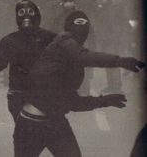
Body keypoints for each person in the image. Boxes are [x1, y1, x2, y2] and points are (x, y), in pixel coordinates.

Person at [13, 10, 144, 157]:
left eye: (85, 27)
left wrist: (105, 101)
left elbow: (72, 102)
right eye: (78, 25)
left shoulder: (72, 62)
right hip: (32, 125)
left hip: (55, 122)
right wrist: (120, 61)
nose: (82, 32)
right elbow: (86, 57)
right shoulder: (64, 42)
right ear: (68, 29)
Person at [0, 0, 56, 122]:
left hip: (41, 94)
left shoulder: (50, 38)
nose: (26, 17)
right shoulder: (10, 41)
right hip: (21, 94)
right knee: (26, 134)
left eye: (30, 12)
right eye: (22, 13)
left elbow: (65, 60)